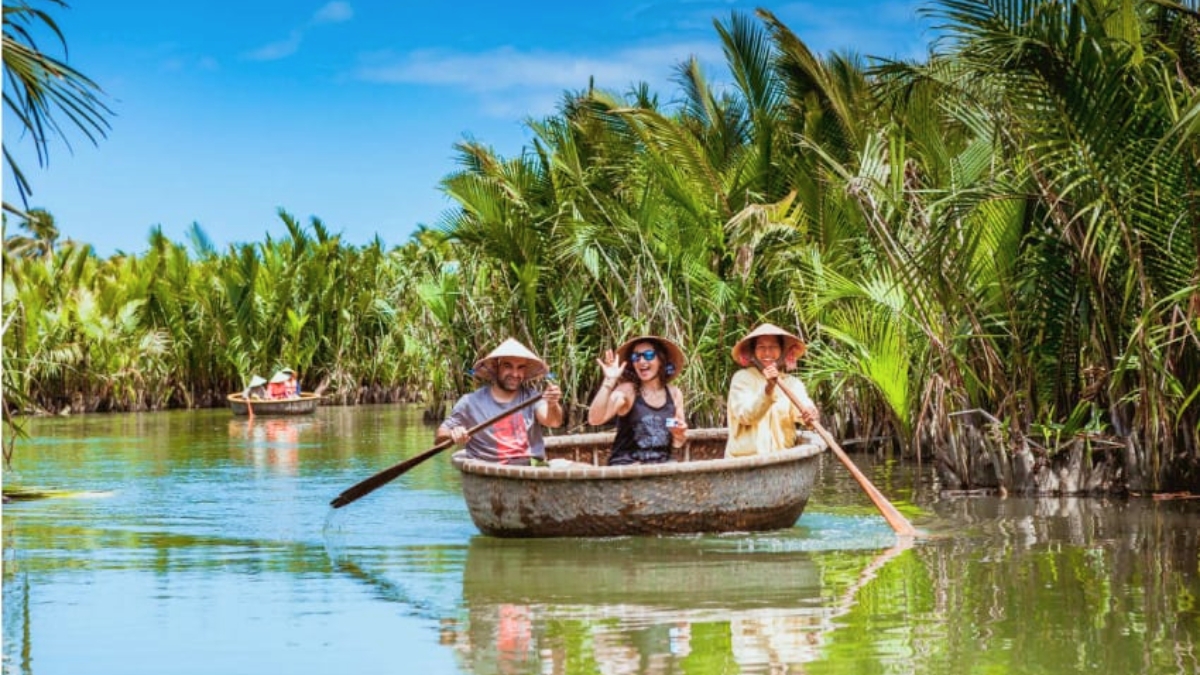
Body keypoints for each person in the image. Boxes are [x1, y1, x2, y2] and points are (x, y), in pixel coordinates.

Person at [437, 338, 563, 465]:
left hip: (530, 468)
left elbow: (554, 422)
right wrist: (453, 434)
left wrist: (552, 404)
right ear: (496, 367)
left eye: (520, 368)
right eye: (508, 366)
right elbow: (440, 436)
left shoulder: (532, 397)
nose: (515, 374)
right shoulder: (470, 402)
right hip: (489, 470)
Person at [587, 335, 688, 465]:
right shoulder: (627, 391)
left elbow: (678, 443)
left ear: (661, 360)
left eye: (649, 355)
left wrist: (679, 433)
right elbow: (594, 419)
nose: (641, 361)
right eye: (636, 357)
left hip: (661, 468)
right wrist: (609, 380)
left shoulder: (674, 393)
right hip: (627, 468)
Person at [724, 323, 820, 458]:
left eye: (773, 347)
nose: (767, 353)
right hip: (744, 460)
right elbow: (746, 416)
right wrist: (768, 389)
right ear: (753, 353)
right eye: (761, 347)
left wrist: (810, 414)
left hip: (782, 458)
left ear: (782, 351)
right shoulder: (742, 379)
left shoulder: (792, 383)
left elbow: (803, 408)